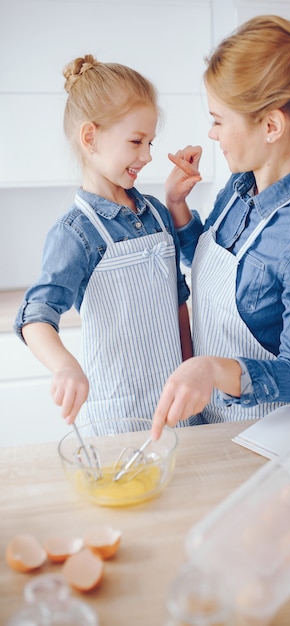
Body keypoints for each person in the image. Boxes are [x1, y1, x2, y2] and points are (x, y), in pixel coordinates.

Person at [151, 14, 290, 439]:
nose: (211, 133)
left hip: (262, 439)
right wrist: (177, 205)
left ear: (271, 126)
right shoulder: (243, 185)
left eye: (220, 119)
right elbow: (205, 265)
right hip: (208, 423)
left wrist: (211, 370)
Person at [14, 55, 199, 431]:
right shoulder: (76, 232)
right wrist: (65, 366)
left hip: (178, 406)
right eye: (136, 141)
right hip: (119, 415)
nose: (147, 155)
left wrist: (192, 366)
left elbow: (179, 301)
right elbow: (34, 316)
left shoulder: (158, 216)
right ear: (90, 137)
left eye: (150, 142)